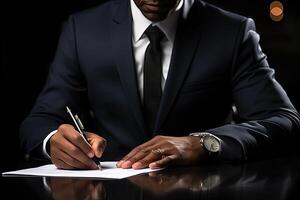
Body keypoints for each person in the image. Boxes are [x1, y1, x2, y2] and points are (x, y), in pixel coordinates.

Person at [20, 0, 300, 170]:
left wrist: (204, 143)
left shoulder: (232, 31)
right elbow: (40, 120)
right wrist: (54, 141)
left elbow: (283, 120)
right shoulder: (82, 29)